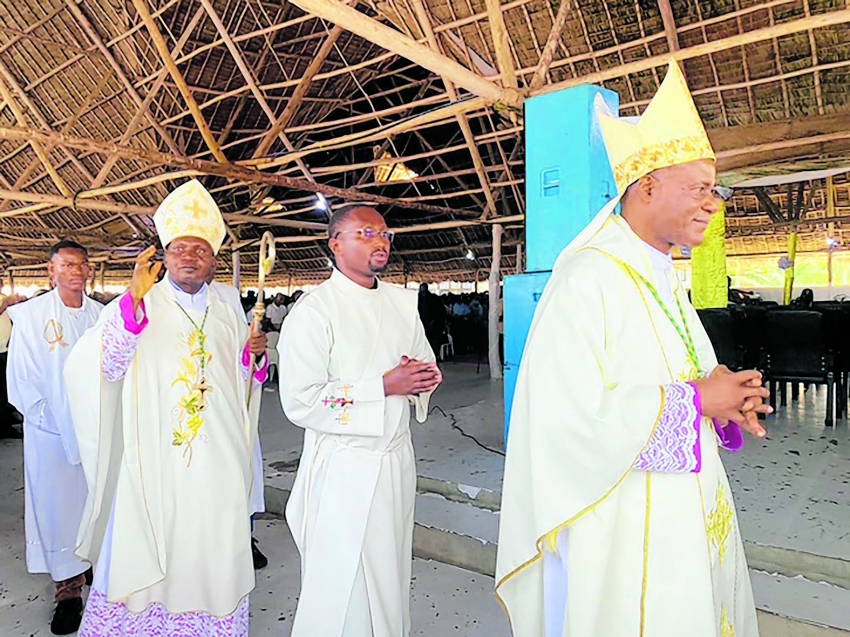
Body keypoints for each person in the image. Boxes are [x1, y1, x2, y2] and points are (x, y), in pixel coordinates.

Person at [496, 61, 771, 637]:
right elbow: (565, 422)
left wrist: (726, 399)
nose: (713, 203)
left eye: (714, 190)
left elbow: (687, 374)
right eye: (699, 188)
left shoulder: (663, 276)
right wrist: (697, 401)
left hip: (688, 508)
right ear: (647, 186)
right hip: (625, 526)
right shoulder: (587, 279)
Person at [63, 179, 267, 636]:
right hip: (153, 459)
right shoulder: (138, 303)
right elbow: (105, 367)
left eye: (200, 250)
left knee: (212, 549)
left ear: (214, 260)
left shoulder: (228, 310)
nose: (189, 256)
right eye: (179, 248)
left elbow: (244, 384)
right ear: (165, 256)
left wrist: (254, 357)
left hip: (217, 464)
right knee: (150, 546)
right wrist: (133, 301)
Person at [278, 205, 442, 637]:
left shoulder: (401, 303)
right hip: (344, 468)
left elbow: (421, 362)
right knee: (344, 588)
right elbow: (300, 399)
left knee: (390, 576)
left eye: (385, 234)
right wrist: (382, 387)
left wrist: (424, 379)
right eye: (366, 233)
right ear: (335, 244)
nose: (380, 241)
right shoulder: (314, 311)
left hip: (395, 462)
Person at [7, 240, 103, 634]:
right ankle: (67, 590)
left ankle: (91, 561)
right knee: (58, 507)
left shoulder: (101, 315)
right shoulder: (31, 317)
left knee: (95, 501)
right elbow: (22, 378)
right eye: (66, 265)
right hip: (51, 432)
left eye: (81, 264)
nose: (75, 271)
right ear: (51, 270)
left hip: (96, 429)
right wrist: (54, 419)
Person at [208, 274, 269, 570]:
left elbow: (244, 354)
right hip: (186, 409)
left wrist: (254, 352)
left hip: (230, 404)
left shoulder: (227, 296)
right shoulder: (158, 299)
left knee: (242, 475)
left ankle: (245, 538)